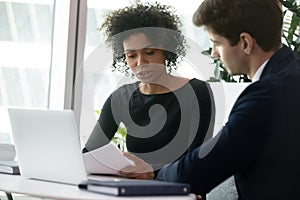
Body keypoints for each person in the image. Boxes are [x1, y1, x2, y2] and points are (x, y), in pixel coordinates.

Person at [121, 0, 300, 199]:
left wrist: (153, 174)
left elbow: (202, 167)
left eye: (216, 43)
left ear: (245, 43)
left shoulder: (265, 97)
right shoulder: (290, 77)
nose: (214, 53)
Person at [82, 1, 215, 179]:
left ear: (166, 51)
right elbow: (91, 153)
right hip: (134, 191)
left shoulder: (197, 92)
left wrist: (152, 174)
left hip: (180, 192)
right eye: (131, 55)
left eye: (150, 52)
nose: (140, 62)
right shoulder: (121, 97)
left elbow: (197, 163)